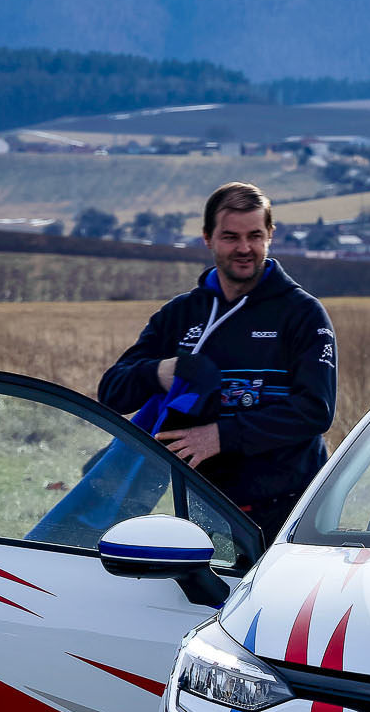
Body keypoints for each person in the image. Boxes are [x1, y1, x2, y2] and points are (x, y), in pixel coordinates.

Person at [99, 182, 337, 542]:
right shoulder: (180, 314)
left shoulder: (303, 313)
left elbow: (315, 410)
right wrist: (161, 372)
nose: (244, 248)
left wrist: (221, 437)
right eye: (230, 237)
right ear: (207, 238)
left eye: (255, 236)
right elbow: (111, 392)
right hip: (202, 508)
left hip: (290, 509)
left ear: (270, 235)